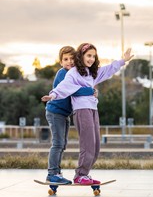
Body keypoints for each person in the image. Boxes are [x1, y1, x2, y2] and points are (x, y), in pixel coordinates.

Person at [42, 44, 133, 185]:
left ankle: (82, 173)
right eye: (88, 55)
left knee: (95, 145)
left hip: (84, 110)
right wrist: (53, 95)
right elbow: (65, 88)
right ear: (81, 56)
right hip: (65, 110)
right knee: (65, 143)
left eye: (93, 56)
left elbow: (107, 70)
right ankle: (65, 173)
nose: (91, 58)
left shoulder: (91, 73)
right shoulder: (70, 73)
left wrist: (122, 61)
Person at [45, 45, 96, 184]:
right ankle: (52, 173)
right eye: (65, 59)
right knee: (58, 143)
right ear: (61, 62)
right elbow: (74, 91)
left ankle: (57, 172)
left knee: (63, 144)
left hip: (64, 114)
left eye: (72, 58)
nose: (69, 62)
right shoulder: (63, 73)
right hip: (55, 113)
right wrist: (91, 91)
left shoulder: (75, 73)